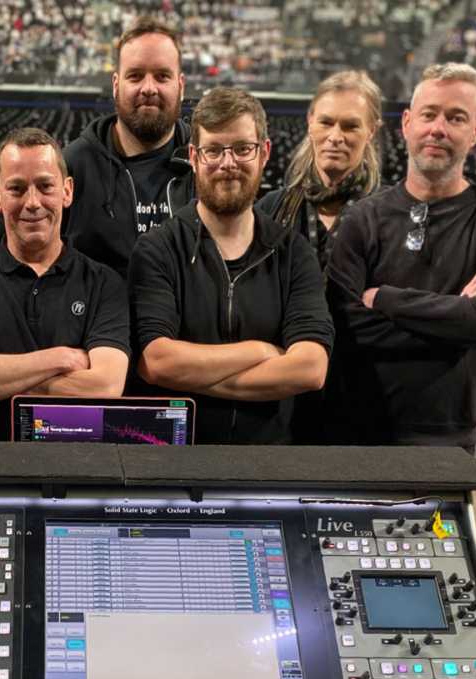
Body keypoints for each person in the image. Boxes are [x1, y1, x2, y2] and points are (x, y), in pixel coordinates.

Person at [325, 63, 476, 451]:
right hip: (355, 430)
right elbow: (346, 325)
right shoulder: (363, 218)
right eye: (429, 114)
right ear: (406, 122)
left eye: (456, 118)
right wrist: (454, 316)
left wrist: (383, 298)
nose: (438, 128)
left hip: (447, 439)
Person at [129, 87, 333, 445]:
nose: (228, 163)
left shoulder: (293, 253)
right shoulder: (158, 250)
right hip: (177, 463)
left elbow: (311, 367)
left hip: (267, 468)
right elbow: (157, 362)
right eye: (213, 150)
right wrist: (260, 352)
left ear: (264, 153)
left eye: (242, 149)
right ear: (193, 157)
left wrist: (197, 376)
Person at [0, 128, 130, 441]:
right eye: (17, 188)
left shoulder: (103, 284)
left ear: (67, 191)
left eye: (45, 186)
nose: (33, 202)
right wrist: (62, 358)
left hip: (76, 473)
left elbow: (105, 385)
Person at [63, 16, 195, 277]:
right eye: (135, 76)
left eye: (162, 76)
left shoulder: (207, 164)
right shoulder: (72, 167)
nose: (149, 88)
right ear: (115, 85)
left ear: (180, 86)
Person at [257, 70, 383, 272]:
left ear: (371, 131)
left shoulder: (391, 215)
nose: (335, 137)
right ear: (310, 122)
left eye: (350, 126)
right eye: (326, 123)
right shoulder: (270, 210)